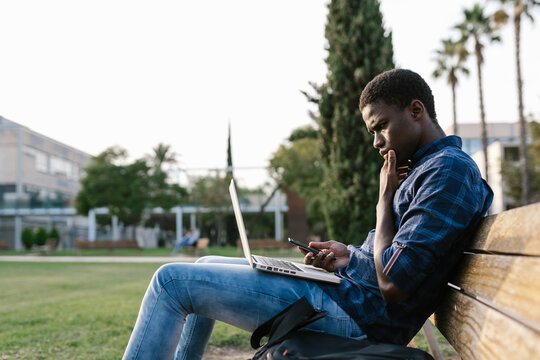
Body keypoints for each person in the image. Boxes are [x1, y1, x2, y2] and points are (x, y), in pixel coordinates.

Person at [122, 69, 493, 360]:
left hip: (358, 318)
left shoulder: (447, 172)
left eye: (380, 126)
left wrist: (384, 203)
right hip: (348, 298)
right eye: (372, 131)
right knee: (202, 262)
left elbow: (394, 283)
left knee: (170, 281)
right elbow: (391, 261)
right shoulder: (428, 169)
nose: (377, 142)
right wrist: (347, 257)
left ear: (416, 111)